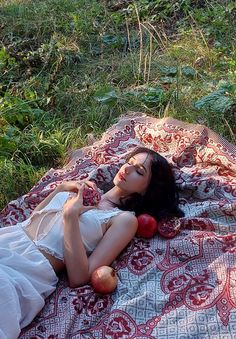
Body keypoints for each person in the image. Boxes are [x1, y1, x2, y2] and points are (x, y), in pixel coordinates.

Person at [0, 146, 183, 338]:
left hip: (27, 269)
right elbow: (31, 219)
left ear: (148, 189)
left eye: (139, 171)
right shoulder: (85, 188)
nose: (127, 169)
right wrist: (61, 189)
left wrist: (70, 217)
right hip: (8, 239)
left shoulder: (124, 220)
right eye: (129, 163)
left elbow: (80, 277)